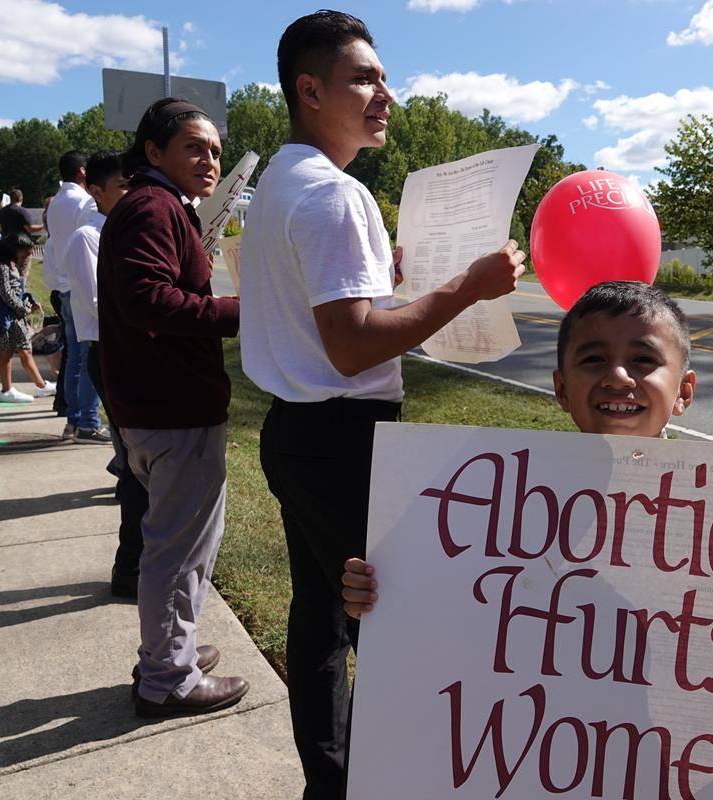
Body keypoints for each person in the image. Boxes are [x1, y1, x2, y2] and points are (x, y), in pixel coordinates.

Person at [343, 281, 713, 717]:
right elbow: (455, 617)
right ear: (560, 387)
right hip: (541, 739)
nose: (618, 375)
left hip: (672, 749)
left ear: (684, 392)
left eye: (645, 360)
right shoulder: (500, 507)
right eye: (593, 358)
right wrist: (387, 593)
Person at [237, 11, 525, 798]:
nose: (384, 94)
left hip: (294, 431)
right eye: (363, 78)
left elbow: (323, 311)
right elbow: (354, 344)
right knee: (389, 616)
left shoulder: (280, 186)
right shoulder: (335, 196)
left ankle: (330, 781)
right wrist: (467, 286)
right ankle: (373, 781)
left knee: (321, 616)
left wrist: (387, 272)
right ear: (309, 89)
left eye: (382, 77)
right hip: (341, 439)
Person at [97, 97, 246, 718]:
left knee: (181, 545)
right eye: (193, 146)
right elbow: (147, 300)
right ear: (153, 153)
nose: (208, 159)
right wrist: (242, 311)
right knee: (177, 550)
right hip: (171, 412)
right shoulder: (152, 207)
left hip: (159, 407)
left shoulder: (159, 206)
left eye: (214, 149)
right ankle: (166, 679)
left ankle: (169, 649)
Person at [62, 149, 147, 597]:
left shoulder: (124, 230)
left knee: (143, 465)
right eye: (123, 187)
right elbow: (103, 307)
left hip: (132, 352)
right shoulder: (88, 239)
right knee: (136, 467)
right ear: (94, 191)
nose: (134, 194)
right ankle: (129, 568)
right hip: (111, 353)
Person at [47, 151, 107, 443]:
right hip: (82, 282)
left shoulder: (56, 202)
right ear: (83, 172)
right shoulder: (84, 201)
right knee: (88, 358)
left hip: (64, 284)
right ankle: (88, 422)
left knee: (73, 358)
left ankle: (73, 420)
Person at [0, 232, 57, 402]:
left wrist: (29, 300)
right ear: (14, 249)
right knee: (6, 353)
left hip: (13, 315)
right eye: (26, 252)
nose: (28, 256)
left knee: (25, 350)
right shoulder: (0, 267)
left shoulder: (8, 264)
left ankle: (42, 386)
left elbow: (14, 290)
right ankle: (7, 391)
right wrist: (24, 309)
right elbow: (6, 294)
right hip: (4, 317)